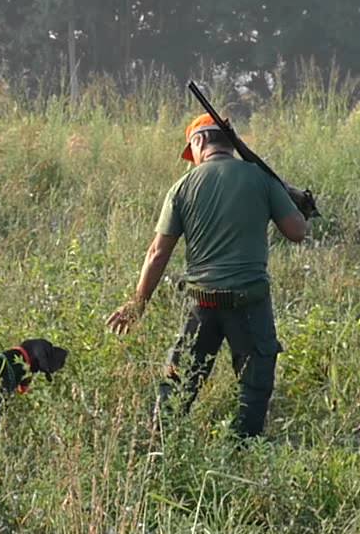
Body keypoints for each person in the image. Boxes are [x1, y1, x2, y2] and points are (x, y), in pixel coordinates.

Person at [106, 113, 310, 437]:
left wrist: (137, 305)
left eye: (192, 152)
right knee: (254, 390)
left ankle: (161, 451)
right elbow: (297, 232)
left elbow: (157, 253)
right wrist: (296, 204)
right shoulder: (260, 177)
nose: (192, 162)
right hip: (250, 305)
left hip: (202, 306)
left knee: (178, 386)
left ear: (199, 142)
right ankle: (244, 452)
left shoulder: (182, 188)